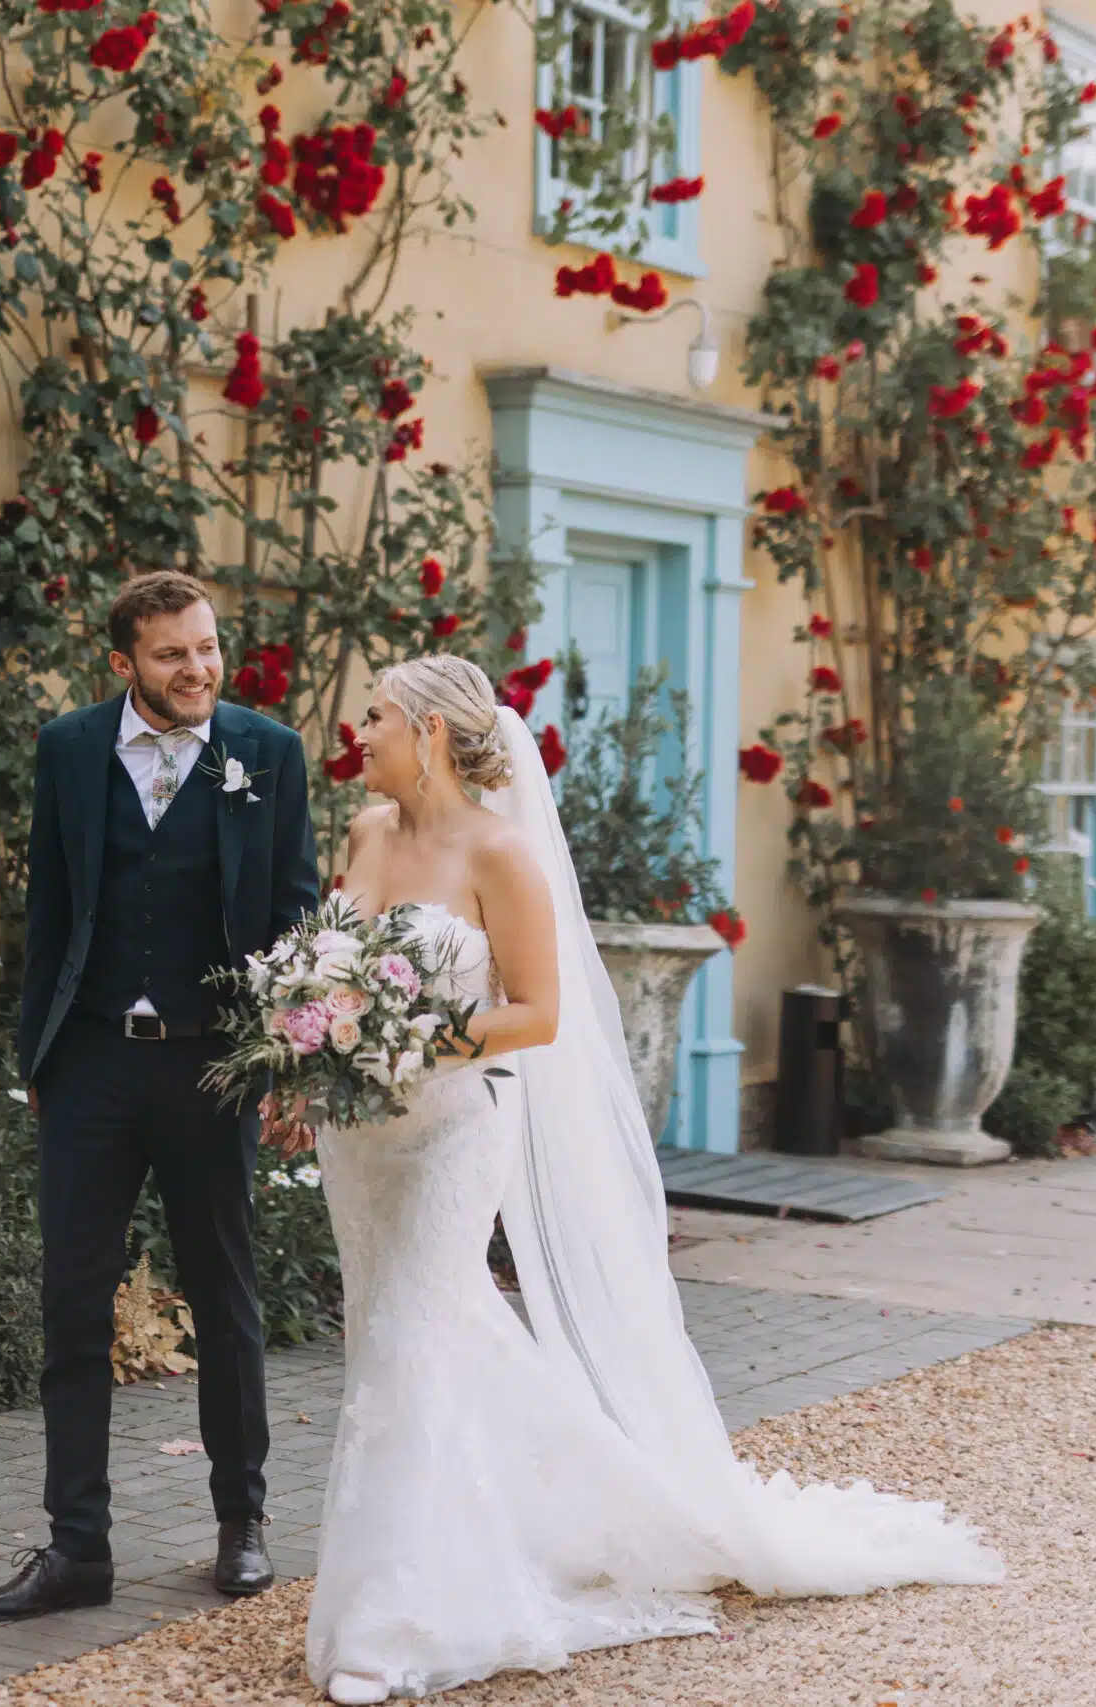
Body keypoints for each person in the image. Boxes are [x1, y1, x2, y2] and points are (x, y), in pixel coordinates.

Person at [290, 656, 1005, 1705]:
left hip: (450, 1130)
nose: (364, 732)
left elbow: (536, 1011)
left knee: (409, 1342)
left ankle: (395, 1617)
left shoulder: (500, 852)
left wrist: (409, 1038)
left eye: (381, 717)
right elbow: (328, 967)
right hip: (358, 1139)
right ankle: (558, 1510)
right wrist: (307, 1040)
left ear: (435, 735)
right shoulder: (361, 833)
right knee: (407, 1338)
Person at [0, 571, 319, 1623]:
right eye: (171, 655)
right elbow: (54, 907)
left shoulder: (268, 754)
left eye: (206, 648)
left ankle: (241, 1523)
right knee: (72, 1304)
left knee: (225, 1300)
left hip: (213, 1066)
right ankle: (78, 1550)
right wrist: (39, 1059)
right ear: (123, 664)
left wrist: (282, 1060)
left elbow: (294, 914)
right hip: (93, 1066)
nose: (198, 669)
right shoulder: (69, 750)